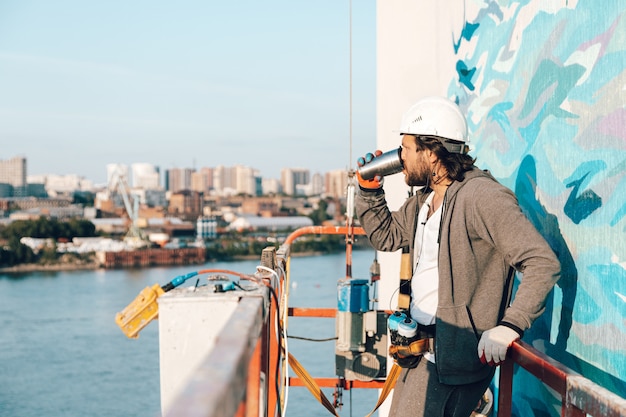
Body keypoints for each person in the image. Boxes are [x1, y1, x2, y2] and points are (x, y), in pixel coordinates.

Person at [355, 96, 560, 417]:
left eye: (406, 148)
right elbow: (387, 236)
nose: (400, 157)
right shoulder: (425, 201)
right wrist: (369, 191)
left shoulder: (482, 197)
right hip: (418, 352)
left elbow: (542, 263)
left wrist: (510, 325)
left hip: (451, 363)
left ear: (432, 151)